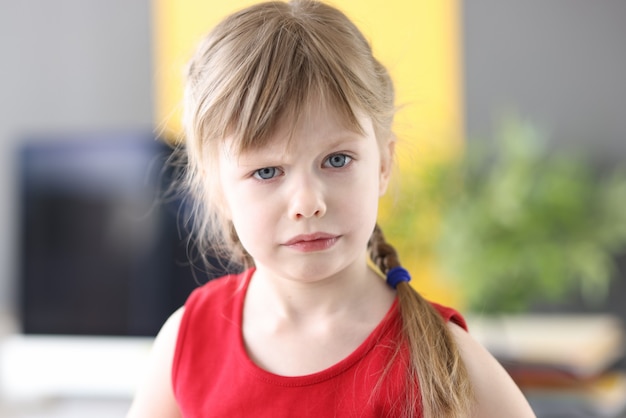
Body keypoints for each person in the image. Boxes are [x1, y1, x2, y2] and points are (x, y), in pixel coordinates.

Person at [127, 1, 535, 417]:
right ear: (215, 189)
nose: (308, 203)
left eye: (336, 160)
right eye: (267, 171)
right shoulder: (187, 340)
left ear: (382, 164)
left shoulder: (444, 359)